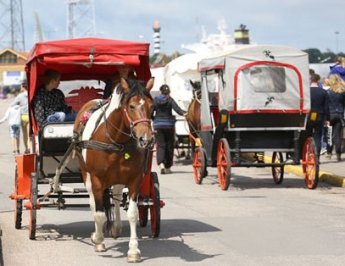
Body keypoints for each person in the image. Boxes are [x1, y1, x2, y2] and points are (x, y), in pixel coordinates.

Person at [152, 84, 187, 174]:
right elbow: (178, 109)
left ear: (161, 91)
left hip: (158, 126)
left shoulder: (156, 100)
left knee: (160, 145)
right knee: (169, 145)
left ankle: (161, 164)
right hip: (169, 125)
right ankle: (168, 167)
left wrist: (154, 119)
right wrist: (185, 113)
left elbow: (150, 112)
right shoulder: (170, 99)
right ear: (168, 92)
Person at [304, 73, 329, 161]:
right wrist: (327, 119)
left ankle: (308, 154)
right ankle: (317, 157)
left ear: (310, 80)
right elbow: (326, 107)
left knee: (307, 135)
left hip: (308, 115)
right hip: (320, 116)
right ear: (318, 80)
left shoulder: (306, 92)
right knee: (318, 136)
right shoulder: (323, 92)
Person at [326, 74, 345, 161]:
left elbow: (326, 105)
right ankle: (338, 154)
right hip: (340, 114)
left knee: (329, 134)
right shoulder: (342, 92)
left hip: (330, 115)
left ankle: (329, 153)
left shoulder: (328, 92)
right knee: (337, 135)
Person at [11, 79, 30, 153]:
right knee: (29, 135)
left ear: (23, 86)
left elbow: (12, 105)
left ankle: (26, 149)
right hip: (30, 116)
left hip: (23, 116)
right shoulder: (31, 94)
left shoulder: (20, 96)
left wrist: (19, 106)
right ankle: (29, 148)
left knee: (25, 134)